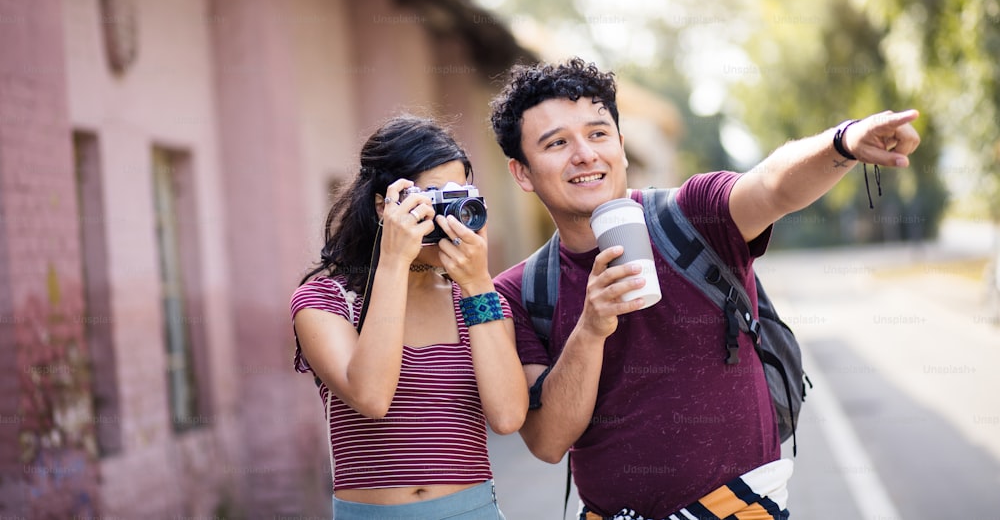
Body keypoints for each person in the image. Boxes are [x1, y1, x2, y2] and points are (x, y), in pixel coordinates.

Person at [488, 58, 921, 520]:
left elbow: (771, 187)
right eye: (556, 143)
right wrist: (590, 330)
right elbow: (548, 441)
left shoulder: (690, 215)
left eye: (598, 134)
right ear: (523, 173)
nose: (584, 154)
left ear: (621, 144)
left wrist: (845, 142)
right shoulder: (520, 291)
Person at [290, 115, 528, 520]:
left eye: (457, 196)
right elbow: (371, 397)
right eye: (430, 199)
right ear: (384, 206)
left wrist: (476, 283)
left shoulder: (479, 301)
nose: (445, 217)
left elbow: (507, 416)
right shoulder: (326, 301)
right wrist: (394, 261)